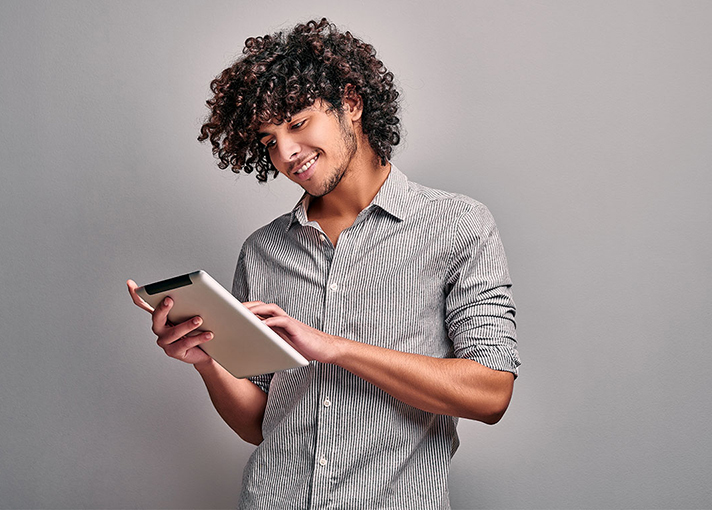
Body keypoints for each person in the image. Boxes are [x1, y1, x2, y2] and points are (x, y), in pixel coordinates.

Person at [127, 18, 520, 509]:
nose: (287, 153)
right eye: (269, 139)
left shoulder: (458, 226)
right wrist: (206, 362)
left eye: (297, 123)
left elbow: (491, 393)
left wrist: (333, 348)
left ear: (350, 104)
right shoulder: (262, 251)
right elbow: (260, 422)